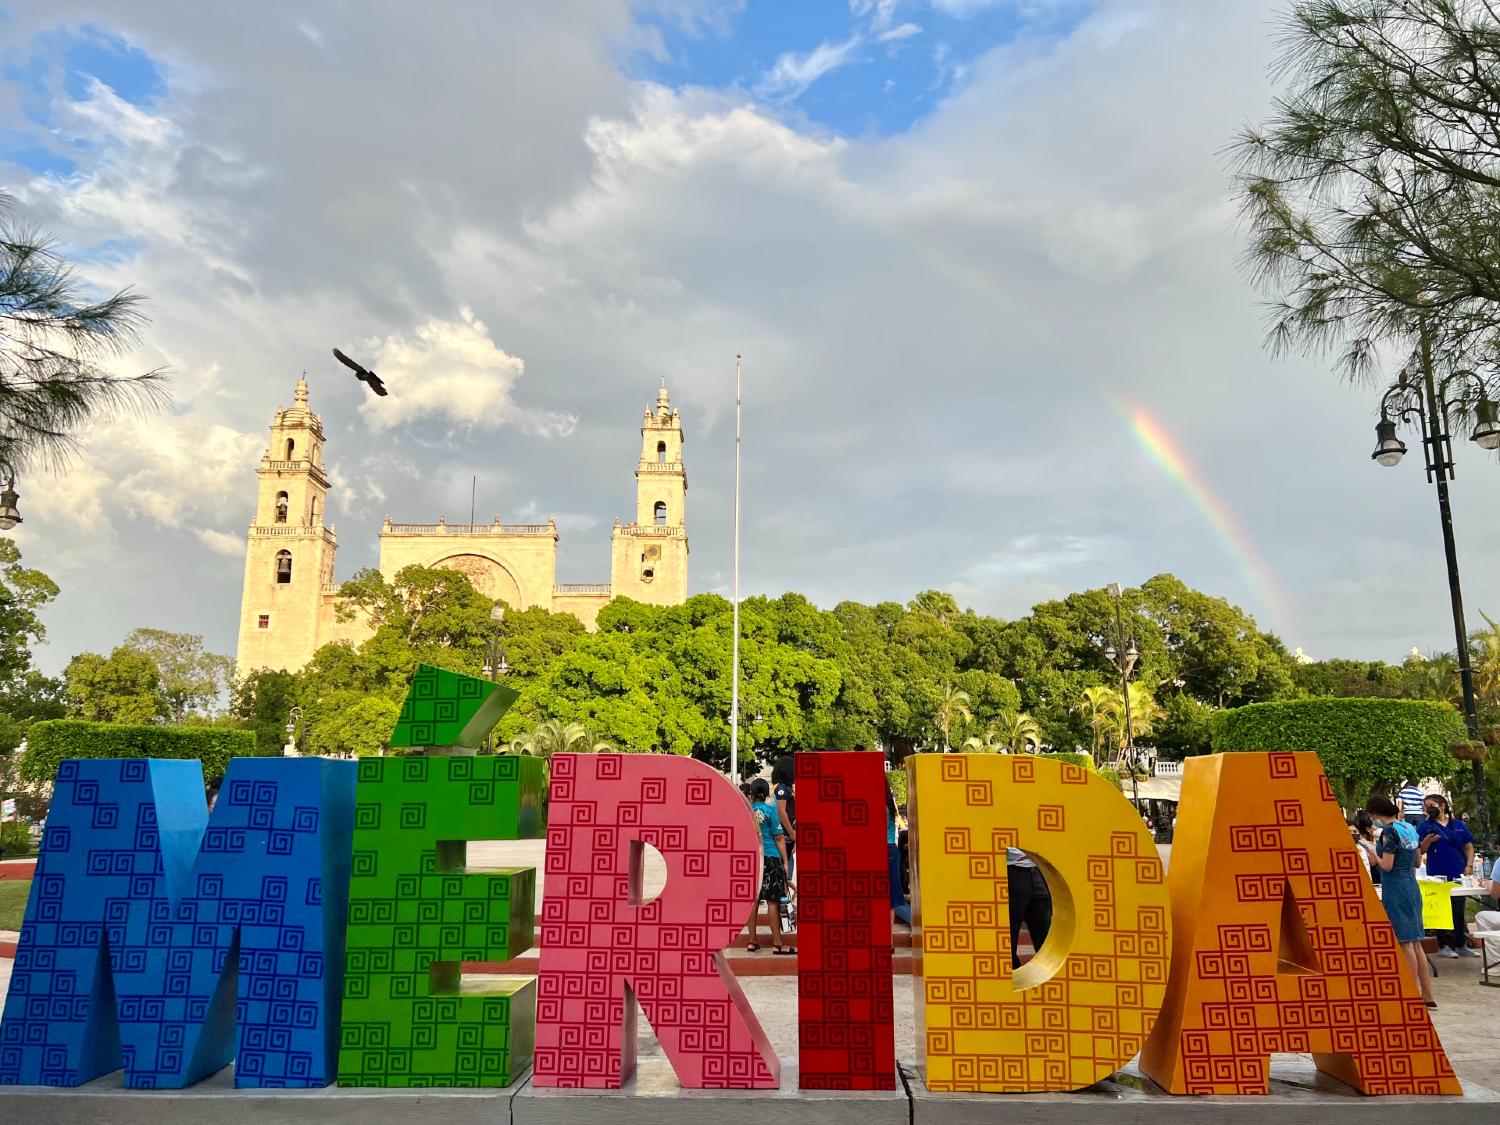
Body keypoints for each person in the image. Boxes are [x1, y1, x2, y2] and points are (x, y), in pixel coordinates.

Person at [1359, 795, 1435, 1008]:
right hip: (1411, 886)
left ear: (1373, 814)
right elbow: (1418, 861)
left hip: (1395, 888)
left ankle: (1409, 992)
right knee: (1416, 941)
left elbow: (1387, 865)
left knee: (1404, 942)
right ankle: (1427, 995)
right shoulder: (1409, 828)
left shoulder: (1389, 832)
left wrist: (1372, 849)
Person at [1417, 793, 1478, 959]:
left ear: (1441, 806)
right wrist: (1428, 841)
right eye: (1425, 806)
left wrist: (1469, 865)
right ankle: (1442, 944)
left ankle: (1461, 943)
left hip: (1458, 871)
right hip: (1437, 873)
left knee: (1458, 909)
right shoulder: (1424, 827)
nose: (1427, 808)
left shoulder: (1458, 825)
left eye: (1430, 805)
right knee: (1440, 909)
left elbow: (1468, 847)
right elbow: (1420, 850)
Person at [747, 778, 794, 955]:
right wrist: (785, 860)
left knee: (754, 900)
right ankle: (777, 943)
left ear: (751, 794)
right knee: (773, 900)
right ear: (767, 793)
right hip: (771, 857)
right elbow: (779, 837)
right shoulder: (770, 810)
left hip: (753, 858)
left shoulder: (748, 811)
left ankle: (752, 941)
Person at [1006, 843, 1052, 971]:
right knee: (1010, 933)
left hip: (1038, 871)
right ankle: (1012, 974)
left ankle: (1048, 971)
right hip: (1012, 873)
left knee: (1045, 930)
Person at [884, 778, 911, 929]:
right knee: (893, 897)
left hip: (883, 849)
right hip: (891, 849)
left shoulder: (880, 806)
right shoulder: (889, 804)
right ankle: (889, 940)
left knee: (889, 897)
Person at [771, 755, 796, 881]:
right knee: (783, 866)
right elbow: (781, 811)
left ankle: (785, 895)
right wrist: (791, 833)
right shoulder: (781, 788)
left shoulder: (786, 787)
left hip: (788, 832)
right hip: (784, 833)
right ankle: (783, 896)